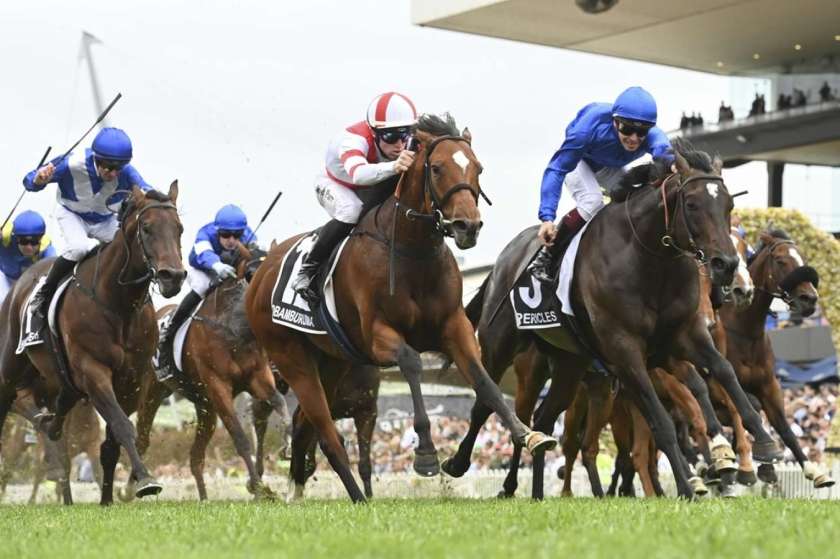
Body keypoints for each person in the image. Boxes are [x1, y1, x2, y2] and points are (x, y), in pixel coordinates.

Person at [528, 86, 675, 283]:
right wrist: (547, 217)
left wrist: (673, 164)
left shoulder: (652, 135)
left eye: (641, 132)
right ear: (615, 122)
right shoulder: (587, 129)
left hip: (608, 166)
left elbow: (664, 152)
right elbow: (557, 169)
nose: (634, 138)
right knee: (593, 200)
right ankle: (546, 256)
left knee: (636, 201)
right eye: (627, 129)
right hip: (579, 160)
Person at [291, 91, 418, 302]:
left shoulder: (405, 141)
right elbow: (358, 174)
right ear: (374, 132)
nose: (400, 144)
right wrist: (395, 166)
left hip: (372, 182)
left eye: (405, 135)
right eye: (391, 136)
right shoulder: (354, 140)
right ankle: (308, 269)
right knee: (351, 210)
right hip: (337, 183)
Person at [22, 127, 152, 318]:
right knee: (78, 248)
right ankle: (44, 291)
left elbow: (148, 191)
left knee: (130, 249)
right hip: (72, 214)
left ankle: (132, 298)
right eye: (108, 167)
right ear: (96, 158)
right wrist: (39, 179)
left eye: (118, 168)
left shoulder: (127, 173)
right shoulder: (71, 163)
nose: (112, 173)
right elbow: (28, 182)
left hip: (104, 220)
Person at [156, 204, 256, 382]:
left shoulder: (248, 234)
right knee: (202, 286)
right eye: (225, 234)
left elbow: (257, 252)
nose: (231, 240)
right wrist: (217, 265)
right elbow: (205, 254)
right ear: (217, 231)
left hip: (229, 271)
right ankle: (170, 329)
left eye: (237, 235)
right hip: (203, 269)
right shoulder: (205, 233)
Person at [0, 210, 56, 303]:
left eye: (34, 242)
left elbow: (55, 268)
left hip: (28, 283)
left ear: (41, 239)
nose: (29, 247)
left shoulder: (46, 249)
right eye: (24, 241)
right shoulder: (5, 238)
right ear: (16, 237)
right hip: (4, 277)